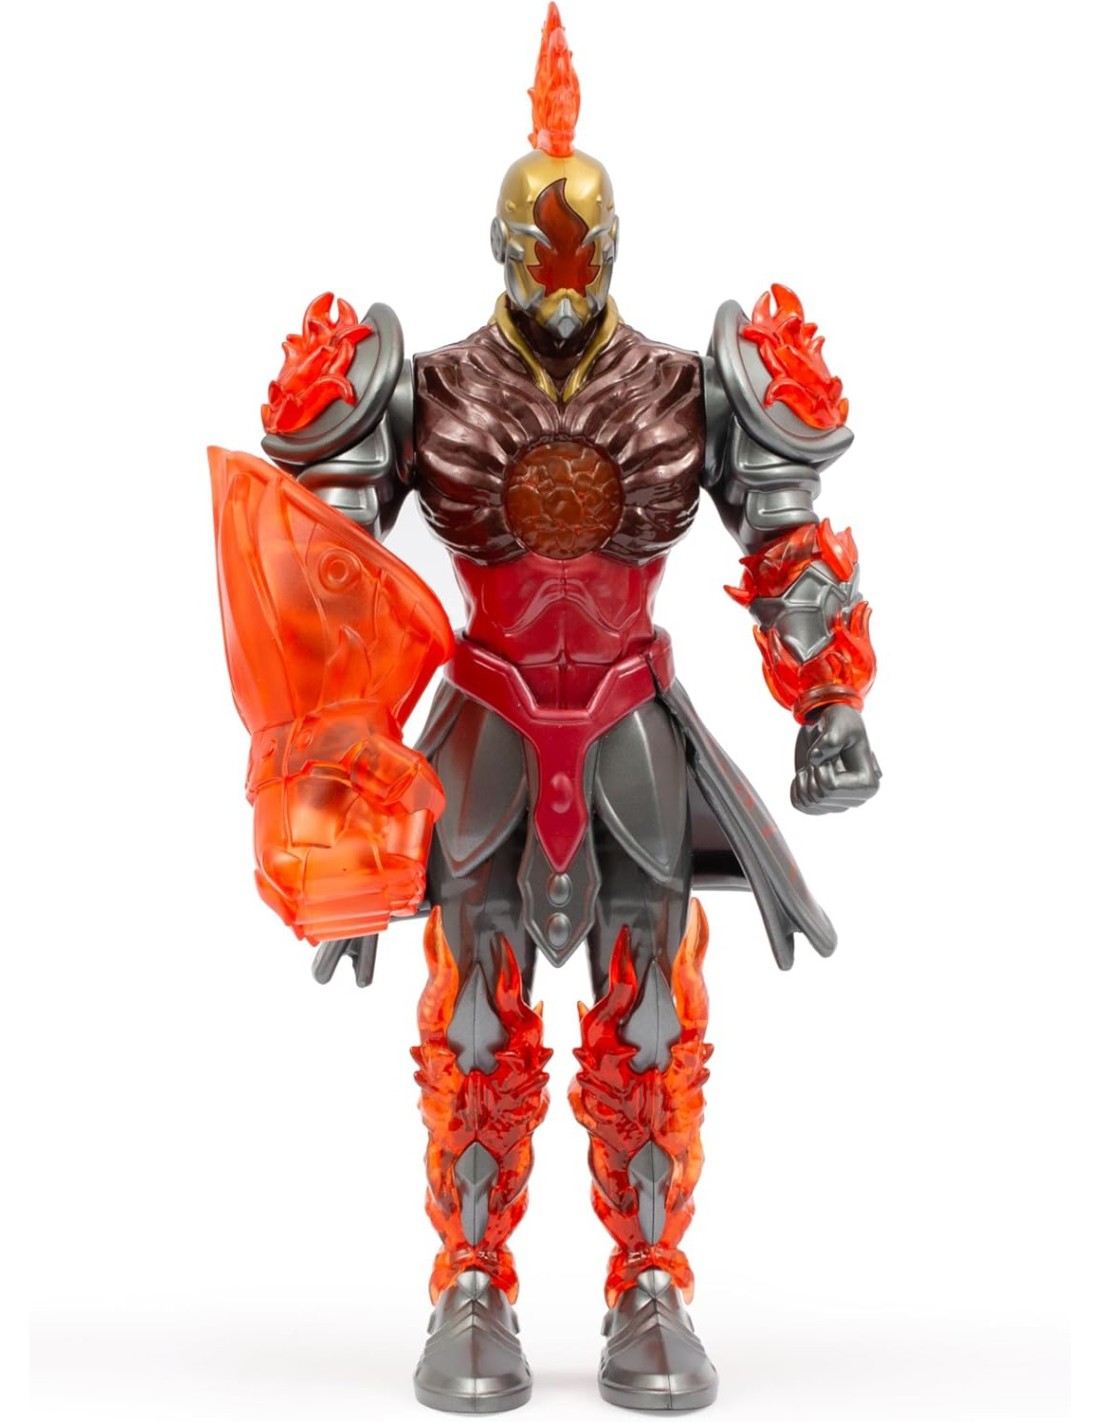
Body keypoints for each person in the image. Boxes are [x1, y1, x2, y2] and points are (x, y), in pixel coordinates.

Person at [210, 5, 880, 1412]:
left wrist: (829, 704)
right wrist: (321, 746)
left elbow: (789, 550)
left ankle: (649, 1283)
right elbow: (329, 580)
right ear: (500, 247)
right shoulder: (428, 391)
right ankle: (472, 1280)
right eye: (540, 254)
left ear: (618, 247)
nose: (566, 284)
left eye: (587, 255)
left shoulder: (690, 390)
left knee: (651, 1024)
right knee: (473, 1023)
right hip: (483, 739)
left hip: (633, 736)